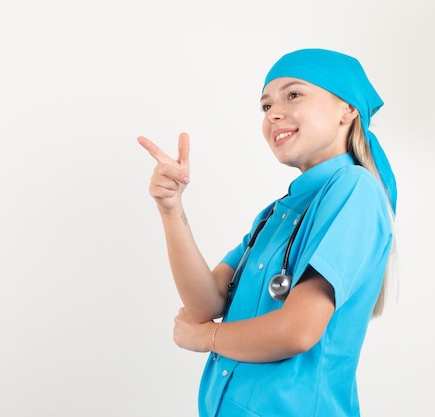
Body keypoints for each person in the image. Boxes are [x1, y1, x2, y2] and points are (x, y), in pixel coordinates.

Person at [137, 48, 397, 417]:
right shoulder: (277, 214)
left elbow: (298, 330)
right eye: (265, 106)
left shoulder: (355, 190)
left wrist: (205, 338)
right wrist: (171, 209)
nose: (273, 113)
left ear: (348, 110)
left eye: (293, 95)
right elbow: (206, 303)